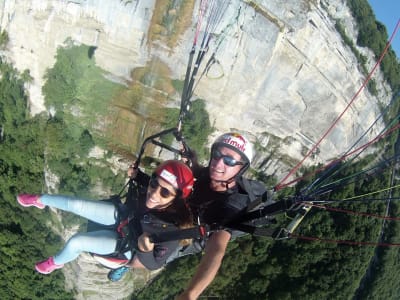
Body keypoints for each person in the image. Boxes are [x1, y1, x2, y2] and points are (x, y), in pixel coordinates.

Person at [17, 160, 194, 279]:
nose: (154, 193)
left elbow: (155, 264)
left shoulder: (172, 230)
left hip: (126, 245)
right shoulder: (159, 189)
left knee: (76, 242)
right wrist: (139, 176)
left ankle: (54, 263)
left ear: (176, 198)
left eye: (164, 193)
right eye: (154, 184)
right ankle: (39, 200)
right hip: (125, 217)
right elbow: (158, 183)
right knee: (76, 204)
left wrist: (145, 249)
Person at [178, 132, 267, 300]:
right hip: (186, 213)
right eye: (217, 155)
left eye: (230, 160)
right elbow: (200, 172)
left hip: (190, 236)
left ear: (241, 168)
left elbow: (216, 250)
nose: (218, 163)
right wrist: (192, 159)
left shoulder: (231, 206)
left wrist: (191, 294)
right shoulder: (212, 175)